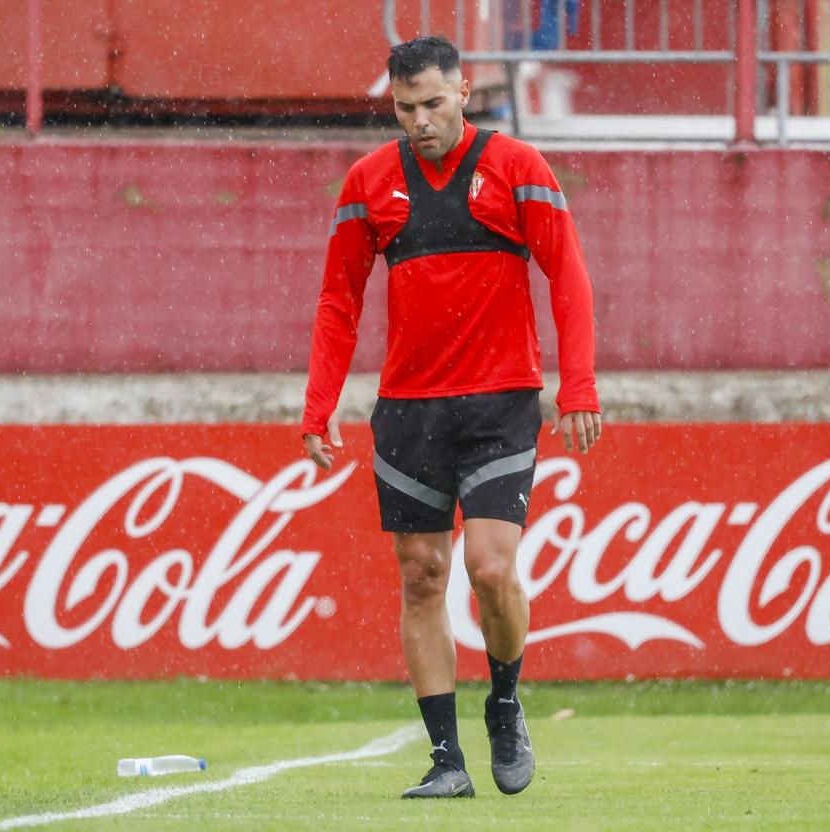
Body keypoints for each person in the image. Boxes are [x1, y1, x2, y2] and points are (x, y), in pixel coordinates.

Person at [300, 35, 601, 799]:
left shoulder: (518, 168)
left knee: (490, 569)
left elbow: (568, 276)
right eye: (405, 109)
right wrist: (319, 406)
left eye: (433, 103)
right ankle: (447, 761)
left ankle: (505, 701)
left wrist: (580, 389)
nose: (420, 121)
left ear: (465, 91)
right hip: (408, 411)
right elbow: (339, 300)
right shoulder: (368, 183)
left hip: (501, 403)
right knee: (422, 576)